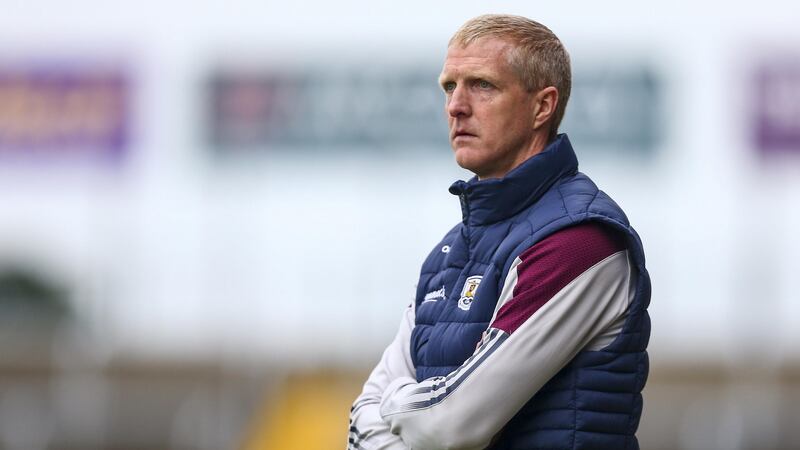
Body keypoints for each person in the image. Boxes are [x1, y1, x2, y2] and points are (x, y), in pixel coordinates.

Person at [348, 14, 650, 450]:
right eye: (450, 86)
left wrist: (395, 404)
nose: (456, 106)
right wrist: (411, 414)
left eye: (483, 85)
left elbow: (450, 424)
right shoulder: (447, 254)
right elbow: (361, 422)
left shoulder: (580, 241)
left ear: (542, 107)